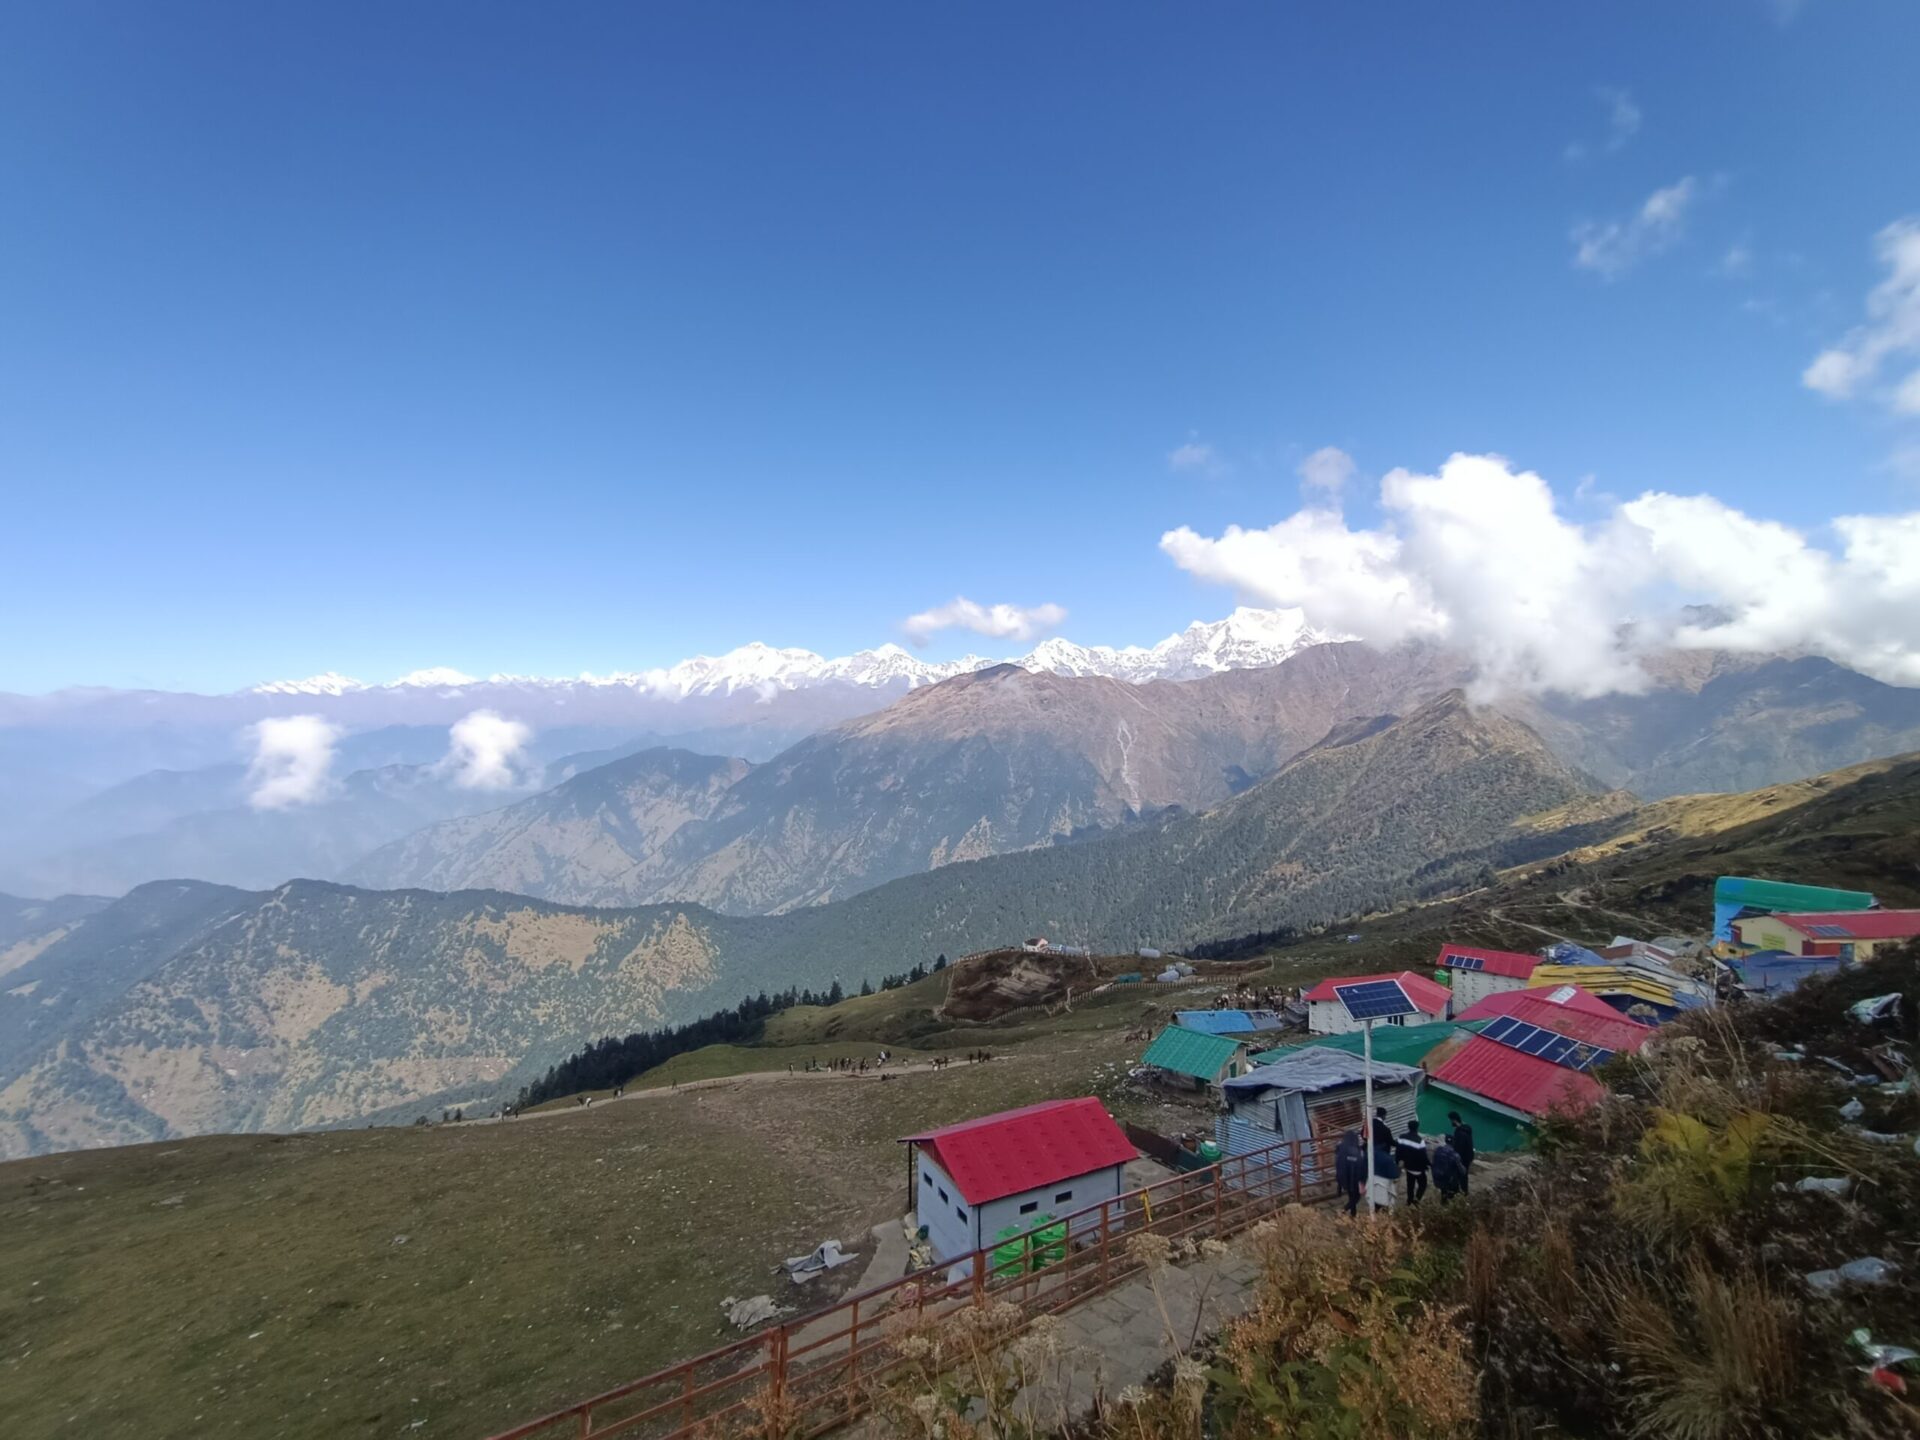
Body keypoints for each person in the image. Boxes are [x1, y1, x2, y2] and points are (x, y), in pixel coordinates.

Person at [1334, 1129, 1366, 1217]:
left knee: (1351, 1195)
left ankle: (1353, 1213)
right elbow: (1360, 1167)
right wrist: (1362, 1181)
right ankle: (1343, 1210)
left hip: (1343, 1177)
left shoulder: (1340, 1148)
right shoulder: (1357, 1151)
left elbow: (1338, 1161)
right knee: (1356, 1197)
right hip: (1353, 1178)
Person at [1398, 1120, 1429, 1206]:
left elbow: (1398, 1151)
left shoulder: (1402, 1137)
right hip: (1418, 1168)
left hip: (1408, 1166)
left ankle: (1409, 1201)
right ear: (1417, 1128)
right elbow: (1423, 1156)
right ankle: (1416, 1201)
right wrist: (1427, 1165)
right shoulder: (1420, 1141)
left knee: (1410, 1185)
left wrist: (1399, 1161)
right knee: (1423, 1184)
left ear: (1408, 1127)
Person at [1447, 1111, 1476, 1194]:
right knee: (1464, 1174)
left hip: (1462, 1157)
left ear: (1454, 1120)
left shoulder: (1459, 1132)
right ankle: (1464, 1191)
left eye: (1451, 1120)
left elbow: (1459, 1148)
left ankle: (1457, 1192)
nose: (1451, 1122)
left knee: (1458, 1174)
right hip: (1469, 1156)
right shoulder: (1467, 1128)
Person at [1432, 1138, 1466, 1203]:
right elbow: (1463, 1172)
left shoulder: (1438, 1150)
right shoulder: (1455, 1155)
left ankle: (1443, 1201)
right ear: (1453, 1143)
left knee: (1444, 1185)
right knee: (1456, 1174)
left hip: (1436, 1179)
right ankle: (1451, 1201)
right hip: (1448, 1182)